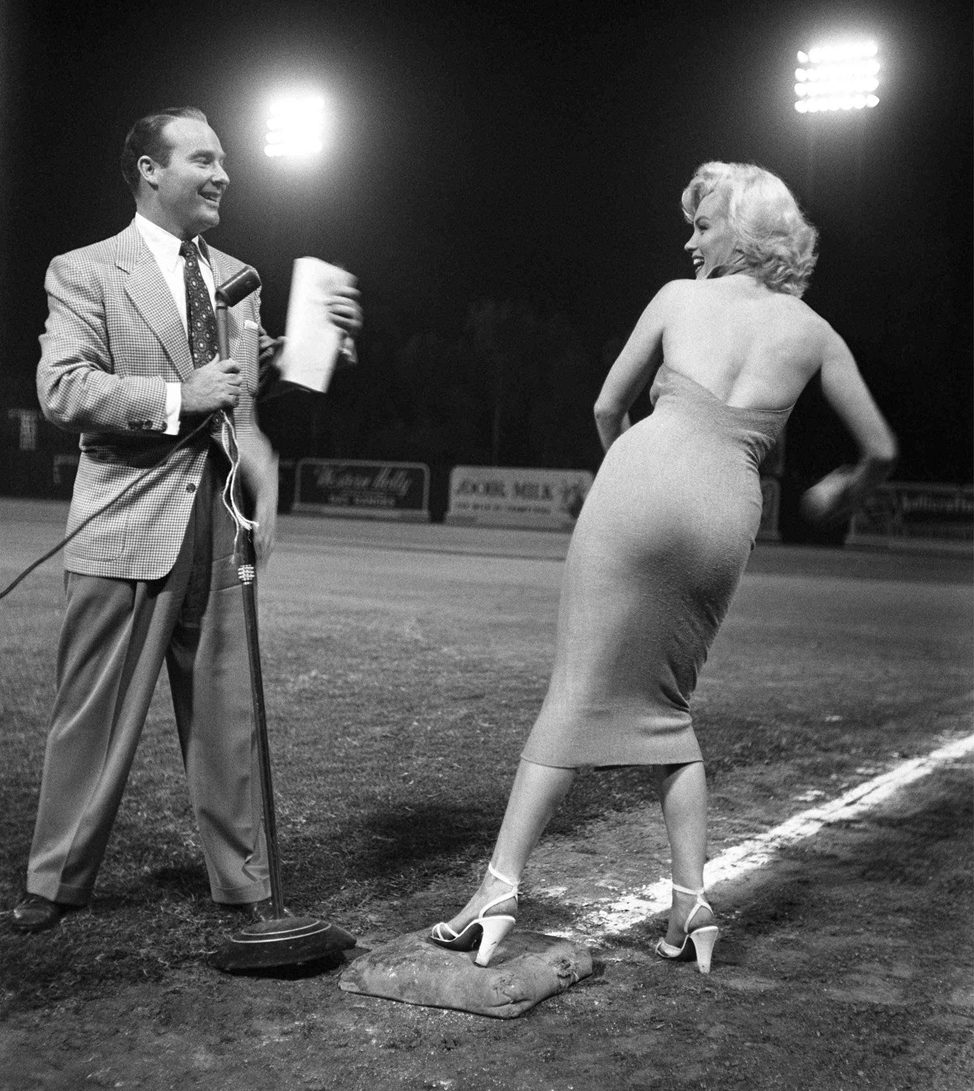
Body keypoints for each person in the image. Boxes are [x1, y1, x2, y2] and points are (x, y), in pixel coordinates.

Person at [429, 161, 897, 972]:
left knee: (574, 693)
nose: (690, 241)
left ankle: (497, 890)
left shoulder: (679, 299)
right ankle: (691, 905)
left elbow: (607, 406)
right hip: (727, 511)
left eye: (703, 225)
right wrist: (843, 491)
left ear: (743, 230)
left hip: (640, 484)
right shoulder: (815, 332)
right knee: (669, 709)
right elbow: (880, 449)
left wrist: (634, 478)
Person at [12, 106, 362, 934]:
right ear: (150, 169)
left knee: (228, 712)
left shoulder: (238, 275)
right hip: (127, 518)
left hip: (220, 516)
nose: (223, 175)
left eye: (224, 160)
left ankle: (244, 884)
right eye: (203, 159)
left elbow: (240, 398)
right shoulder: (87, 269)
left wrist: (309, 353)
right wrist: (179, 395)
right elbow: (63, 387)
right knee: (94, 711)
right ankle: (55, 878)